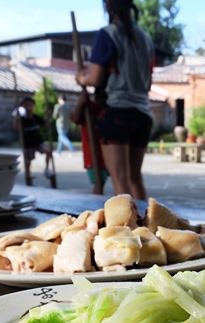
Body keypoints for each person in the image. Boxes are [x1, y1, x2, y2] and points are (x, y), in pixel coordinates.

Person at [76, 0, 155, 200]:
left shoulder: (108, 34)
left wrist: (80, 77)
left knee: (120, 178)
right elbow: (147, 85)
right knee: (135, 178)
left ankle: (128, 229)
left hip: (118, 111)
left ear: (108, 7)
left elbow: (94, 78)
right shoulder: (146, 39)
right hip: (143, 114)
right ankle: (146, 224)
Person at [71, 88, 109, 193]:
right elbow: (75, 119)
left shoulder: (111, 109)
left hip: (108, 151)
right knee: (99, 181)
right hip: (93, 153)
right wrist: (81, 102)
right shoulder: (89, 107)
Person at [13, 97, 55, 186]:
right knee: (28, 161)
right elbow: (16, 128)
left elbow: (45, 125)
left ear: (33, 106)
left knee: (48, 152)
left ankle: (47, 169)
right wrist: (16, 118)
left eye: (30, 105)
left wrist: (48, 115)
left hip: (38, 141)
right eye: (26, 106)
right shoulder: (21, 120)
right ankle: (28, 175)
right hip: (28, 143)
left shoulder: (36, 118)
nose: (29, 108)